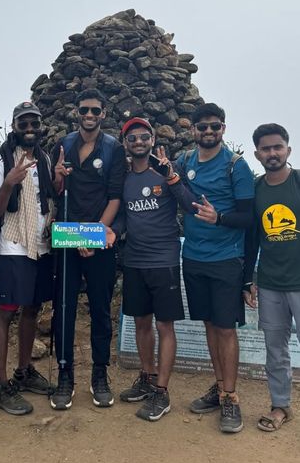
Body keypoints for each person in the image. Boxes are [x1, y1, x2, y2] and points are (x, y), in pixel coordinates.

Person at [176, 103, 254, 433]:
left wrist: (219, 218)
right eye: (203, 127)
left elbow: (249, 219)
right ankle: (220, 386)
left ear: (223, 129)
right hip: (193, 257)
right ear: (193, 130)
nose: (209, 132)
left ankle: (232, 398)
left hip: (226, 260)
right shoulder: (184, 162)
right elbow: (178, 194)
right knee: (208, 325)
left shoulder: (236, 166)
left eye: (215, 127)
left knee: (225, 328)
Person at [112, 118, 196, 421]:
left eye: (143, 137)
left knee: (165, 326)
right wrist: (112, 232)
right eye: (132, 137)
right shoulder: (123, 178)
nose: (138, 142)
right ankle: (146, 379)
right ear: (125, 144)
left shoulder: (165, 170)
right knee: (141, 323)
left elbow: (189, 205)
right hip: (134, 260)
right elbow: (122, 217)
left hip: (164, 260)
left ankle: (162, 391)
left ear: (152, 140)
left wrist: (172, 178)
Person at [50, 88, 127, 410]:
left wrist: (92, 237)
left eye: (95, 110)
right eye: (84, 110)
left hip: (98, 238)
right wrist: (57, 176)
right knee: (63, 308)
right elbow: (55, 192)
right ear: (76, 112)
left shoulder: (113, 149)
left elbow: (115, 197)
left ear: (104, 113)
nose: (89, 115)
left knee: (99, 309)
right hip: (66, 237)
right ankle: (65, 374)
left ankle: (100, 374)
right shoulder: (64, 145)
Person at [0, 102, 55, 415]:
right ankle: (2, 386)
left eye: (34, 123)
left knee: (32, 308)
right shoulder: (1, 160)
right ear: (14, 126)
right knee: (5, 313)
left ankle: (24, 371)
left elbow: (48, 199)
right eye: (23, 123)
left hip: (41, 244)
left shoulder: (45, 158)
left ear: (40, 126)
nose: (29, 128)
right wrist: (9, 183)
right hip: (14, 244)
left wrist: (61, 180)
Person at [244, 123, 299, 432]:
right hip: (270, 284)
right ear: (257, 154)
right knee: (275, 350)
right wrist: (247, 279)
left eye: (277, 147)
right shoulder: (256, 189)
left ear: (287, 150)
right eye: (266, 149)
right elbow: (252, 239)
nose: (272, 153)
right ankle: (280, 406)